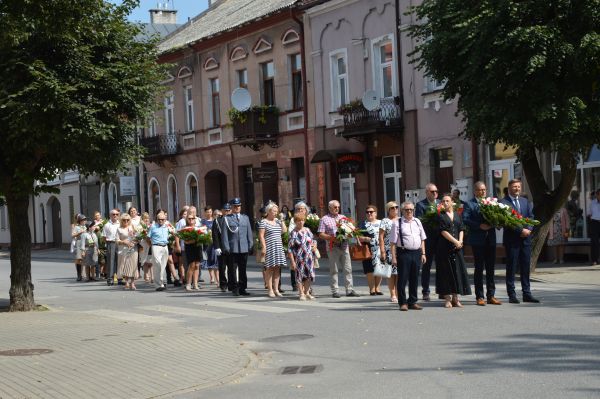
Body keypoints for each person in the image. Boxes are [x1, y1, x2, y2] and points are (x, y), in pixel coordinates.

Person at [463, 181, 502, 306]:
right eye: (480, 190)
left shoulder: (491, 202)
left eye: (484, 190)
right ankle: (479, 296)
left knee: (491, 269)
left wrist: (497, 221)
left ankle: (491, 295)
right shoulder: (470, 204)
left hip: (490, 239)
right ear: (475, 191)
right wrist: (480, 226)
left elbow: (498, 216)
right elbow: (466, 219)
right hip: (478, 240)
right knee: (479, 268)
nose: (482, 192)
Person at [501, 179, 540, 303]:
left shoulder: (525, 201)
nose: (517, 189)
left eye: (518, 187)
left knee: (525, 267)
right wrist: (520, 230)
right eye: (514, 187)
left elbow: (531, 217)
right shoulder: (503, 203)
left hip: (526, 240)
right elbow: (507, 221)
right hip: (512, 240)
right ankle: (512, 294)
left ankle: (527, 293)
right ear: (509, 188)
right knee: (511, 267)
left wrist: (528, 229)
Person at [435, 194, 472, 308]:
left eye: (447, 201)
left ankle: (456, 298)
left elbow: (461, 228)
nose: (445, 203)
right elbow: (443, 231)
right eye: (443, 201)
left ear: (452, 202)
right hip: (444, 248)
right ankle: (447, 298)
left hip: (457, 248)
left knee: (457, 272)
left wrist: (460, 241)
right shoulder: (440, 216)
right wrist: (455, 241)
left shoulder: (457, 214)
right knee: (446, 272)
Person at [318, 200, 360, 298]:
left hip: (344, 246)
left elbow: (350, 230)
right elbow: (320, 234)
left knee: (348, 269)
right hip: (332, 247)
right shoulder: (324, 219)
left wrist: (349, 234)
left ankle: (349, 290)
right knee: (334, 270)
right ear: (329, 208)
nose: (337, 208)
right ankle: (335, 290)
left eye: (338, 207)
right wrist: (332, 238)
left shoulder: (343, 218)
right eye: (335, 207)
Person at [390, 201, 427, 311]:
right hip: (403, 252)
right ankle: (403, 302)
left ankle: (413, 301)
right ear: (402, 211)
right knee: (403, 278)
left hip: (416, 253)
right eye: (407, 210)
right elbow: (392, 243)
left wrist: (423, 253)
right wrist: (394, 257)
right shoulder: (397, 223)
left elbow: (422, 239)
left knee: (414, 278)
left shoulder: (417, 221)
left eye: (411, 209)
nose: (409, 211)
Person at [222, 198, 254, 296]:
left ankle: (242, 288)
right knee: (232, 269)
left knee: (243, 269)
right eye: (235, 206)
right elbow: (224, 235)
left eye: (238, 206)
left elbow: (249, 233)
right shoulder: (227, 219)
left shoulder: (245, 218)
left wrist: (251, 244)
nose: (237, 208)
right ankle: (235, 288)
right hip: (233, 248)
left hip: (243, 248)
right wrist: (226, 247)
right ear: (232, 207)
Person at [415, 183, 440, 301]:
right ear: (427, 193)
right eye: (432, 191)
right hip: (428, 240)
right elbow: (420, 222)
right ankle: (426, 291)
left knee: (441, 266)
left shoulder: (440, 203)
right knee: (426, 266)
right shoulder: (421, 205)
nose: (435, 193)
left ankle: (441, 290)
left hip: (441, 239)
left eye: (436, 191)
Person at [258, 202, 286, 298]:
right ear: (268, 211)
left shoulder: (278, 221)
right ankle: (270, 290)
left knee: (277, 268)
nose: (276, 213)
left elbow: (284, 231)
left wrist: (282, 220)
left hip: (278, 247)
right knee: (269, 269)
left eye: (276, 211)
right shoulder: (264, 222)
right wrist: (264, 247)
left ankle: (276, 289)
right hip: (270, 247)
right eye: (274, 211)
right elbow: (261, 236)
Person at [288, 213, 316, 300]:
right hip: (299, 258)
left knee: (309, 275)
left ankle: (307, 292)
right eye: (299, 220)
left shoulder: (307, 230)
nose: (301, 222)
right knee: (300, 276)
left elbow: (313, 240)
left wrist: (314, 246)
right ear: (295, 221)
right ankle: (301, 294)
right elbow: (290, 249)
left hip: (309, 257)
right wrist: (292, 261)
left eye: (303, 220)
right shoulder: (293, 233)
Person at [379, 201, 400, 302]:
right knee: (391, 273)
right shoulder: (385, 220)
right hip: (388, 249)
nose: (395, 209)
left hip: (400, 249)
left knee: (399, 273)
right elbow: (381, 236)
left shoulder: (401, 220)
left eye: (396, 207)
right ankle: (393, 294)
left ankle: (399, 292)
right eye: (392, 208)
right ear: (388, 210)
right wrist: (382, 251)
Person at [359, 205, 383, 296]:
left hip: (380, 248)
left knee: (379, 268)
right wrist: (365, 238)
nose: (369, 214)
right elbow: (357, 236)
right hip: (367, 249)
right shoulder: (363, 224)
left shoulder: (381, 223)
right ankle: (372, 289)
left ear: (375, 213)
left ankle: (378, 288)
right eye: (367, 212)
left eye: (371, 212)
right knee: (369, 270)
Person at [148, 209, 173, 291]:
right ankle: (157, 285)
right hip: (156, 246)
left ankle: (161, 282)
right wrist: (152, 244)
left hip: (165, 246)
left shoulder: (167, 226)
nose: (161, 221)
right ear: (156, 219)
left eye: (162, 219)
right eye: (159, 219)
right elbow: (148, 237)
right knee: (157, 265)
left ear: (165, 219)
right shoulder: (153, 226)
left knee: (163, 266)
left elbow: (174, 233)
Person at [181, 211, 204, 291]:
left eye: (192, 218)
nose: (191, 220)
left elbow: (203, 238)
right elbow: (186, 241)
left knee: (197, 265)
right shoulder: (185, 228)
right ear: (187, 219)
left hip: (197, 247)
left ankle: (195, 283)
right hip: (190, 248)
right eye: (189, 218)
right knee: (192, 265)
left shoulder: (199, 228)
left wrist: (202, 238)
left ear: (195, 219)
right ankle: (188, 283)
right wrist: (195, 240)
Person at [212, 203, 231, 292]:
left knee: (232, 267)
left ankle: (232, 283)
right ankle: (223, 284)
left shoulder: (232, 219)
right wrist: (217, 247)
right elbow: (215, 235)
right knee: (222, 267)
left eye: (228, 210)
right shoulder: (217, 221)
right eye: (225, 210)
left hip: (231, 247)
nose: (227, 212)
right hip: (222, 247)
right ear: (222, 211)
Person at [116, 214, 138, 290]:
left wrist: (135, 240)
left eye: (128, 220)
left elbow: (138, 237)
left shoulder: (133, 227)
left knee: (133, 265)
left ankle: (132, 283)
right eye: (124, 220)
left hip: (133, 249)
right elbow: (117, 240)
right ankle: (126, 282)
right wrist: (124, 242)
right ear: (121, 220)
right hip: (123, 250)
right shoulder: (119, 229)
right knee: (125, 266)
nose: (126, 221)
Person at [201, 206, 219, 286]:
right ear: (205, 212)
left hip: (214, 243)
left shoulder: (215, 220)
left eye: (210, 211)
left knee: (215, 260)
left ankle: (217, 279)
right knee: (209, 260)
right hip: (206, 243)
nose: (209, 213)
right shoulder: (203, 221)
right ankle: (212, 277)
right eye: (207, 212)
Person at [103, 209, 121, 286]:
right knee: (111, 261)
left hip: (119, 243)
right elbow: (104, 237)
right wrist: (108, 244)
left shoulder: (120, 224)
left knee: (119, 260)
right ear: (110, 215)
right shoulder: (107, 225)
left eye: (117, 214)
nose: (115, 216)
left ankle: (119, 278)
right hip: (111, 243)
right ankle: (110, 278)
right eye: (113, 214)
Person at [71, 214, 87, 281]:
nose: (84, 221)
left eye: (85, 220)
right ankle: (79, 275)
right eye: (83, 220)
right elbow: (72, 235)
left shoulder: (85, 227)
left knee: (85, 259)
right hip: (79, 243)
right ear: (80, 221)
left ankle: (84, 274)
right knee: (79, 259)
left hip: (85, 243)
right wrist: (80, 232)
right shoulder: (76, 227)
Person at [139, 212, 153, 283]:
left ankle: (152, 276)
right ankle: (146, 274)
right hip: (143, 245)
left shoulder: (151, 225)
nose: (146, 220)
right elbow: (138, 235)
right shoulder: (140, 227)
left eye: (147, 218)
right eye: (145, 218)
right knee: (145, 261)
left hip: (150, 244)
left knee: (151, 261)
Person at [588, 190, 600, 265]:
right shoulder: (592, 203)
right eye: (598, 194)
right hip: (594, 223)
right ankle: (594, 260)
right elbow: (589, 213)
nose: (599, 196)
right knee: (594, 242)